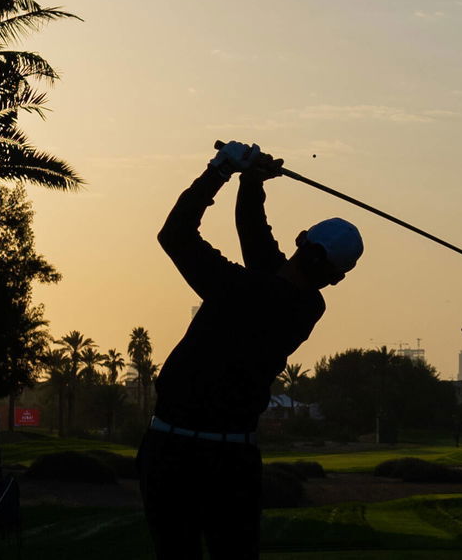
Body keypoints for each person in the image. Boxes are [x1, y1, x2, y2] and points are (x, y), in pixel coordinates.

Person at [136, 141, 363, 559]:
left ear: (301, 241)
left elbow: (175, 235)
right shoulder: (306, 306)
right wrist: (252, 183)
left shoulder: (240, 289)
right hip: (234, 458)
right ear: (335, 278)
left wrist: (220, 170)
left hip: (173, 452)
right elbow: (258, 246)